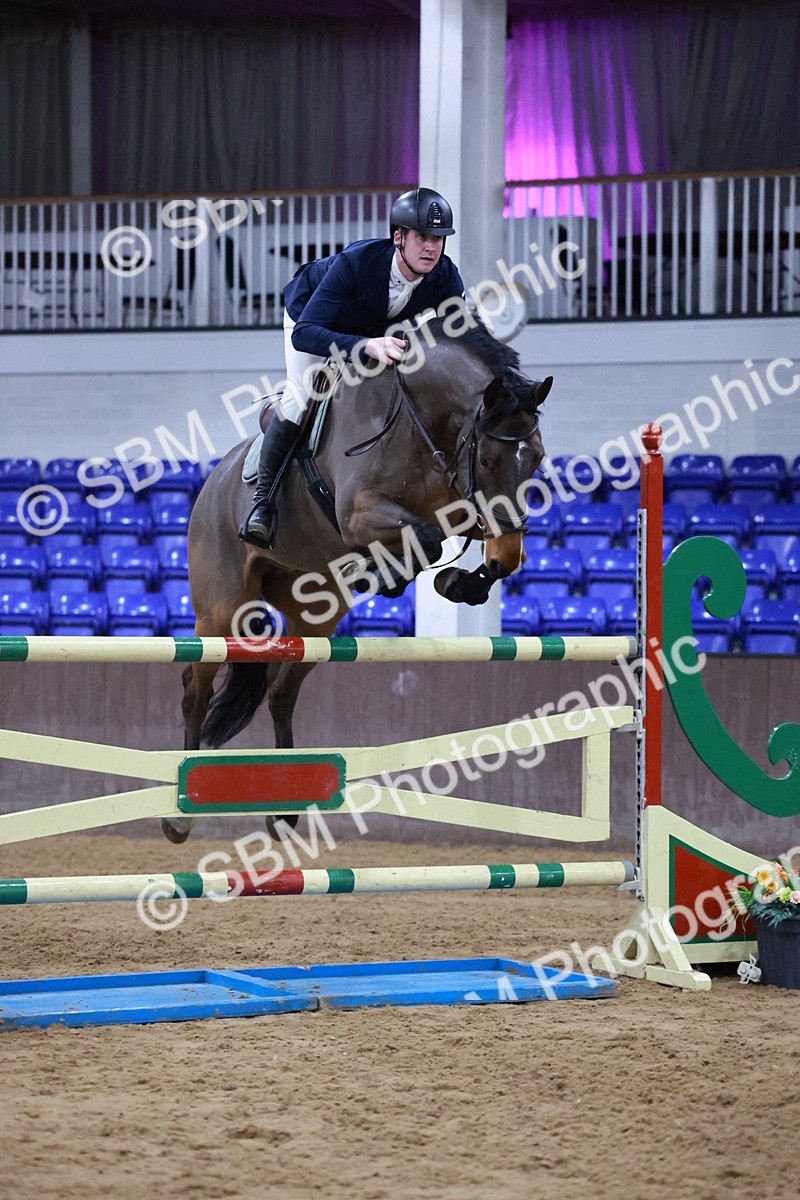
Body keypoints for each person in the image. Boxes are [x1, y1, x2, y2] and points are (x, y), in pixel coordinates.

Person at [239, 186, 465, 548]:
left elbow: (464, 335)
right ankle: (262, 504)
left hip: (374, 327)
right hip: (312, 319)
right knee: (303, 394)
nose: (431, 247)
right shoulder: (356, 263)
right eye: (423, 236)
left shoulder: (444, 276)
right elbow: (305, 335)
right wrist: (365, 346)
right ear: (399, 237)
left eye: (439, 238)